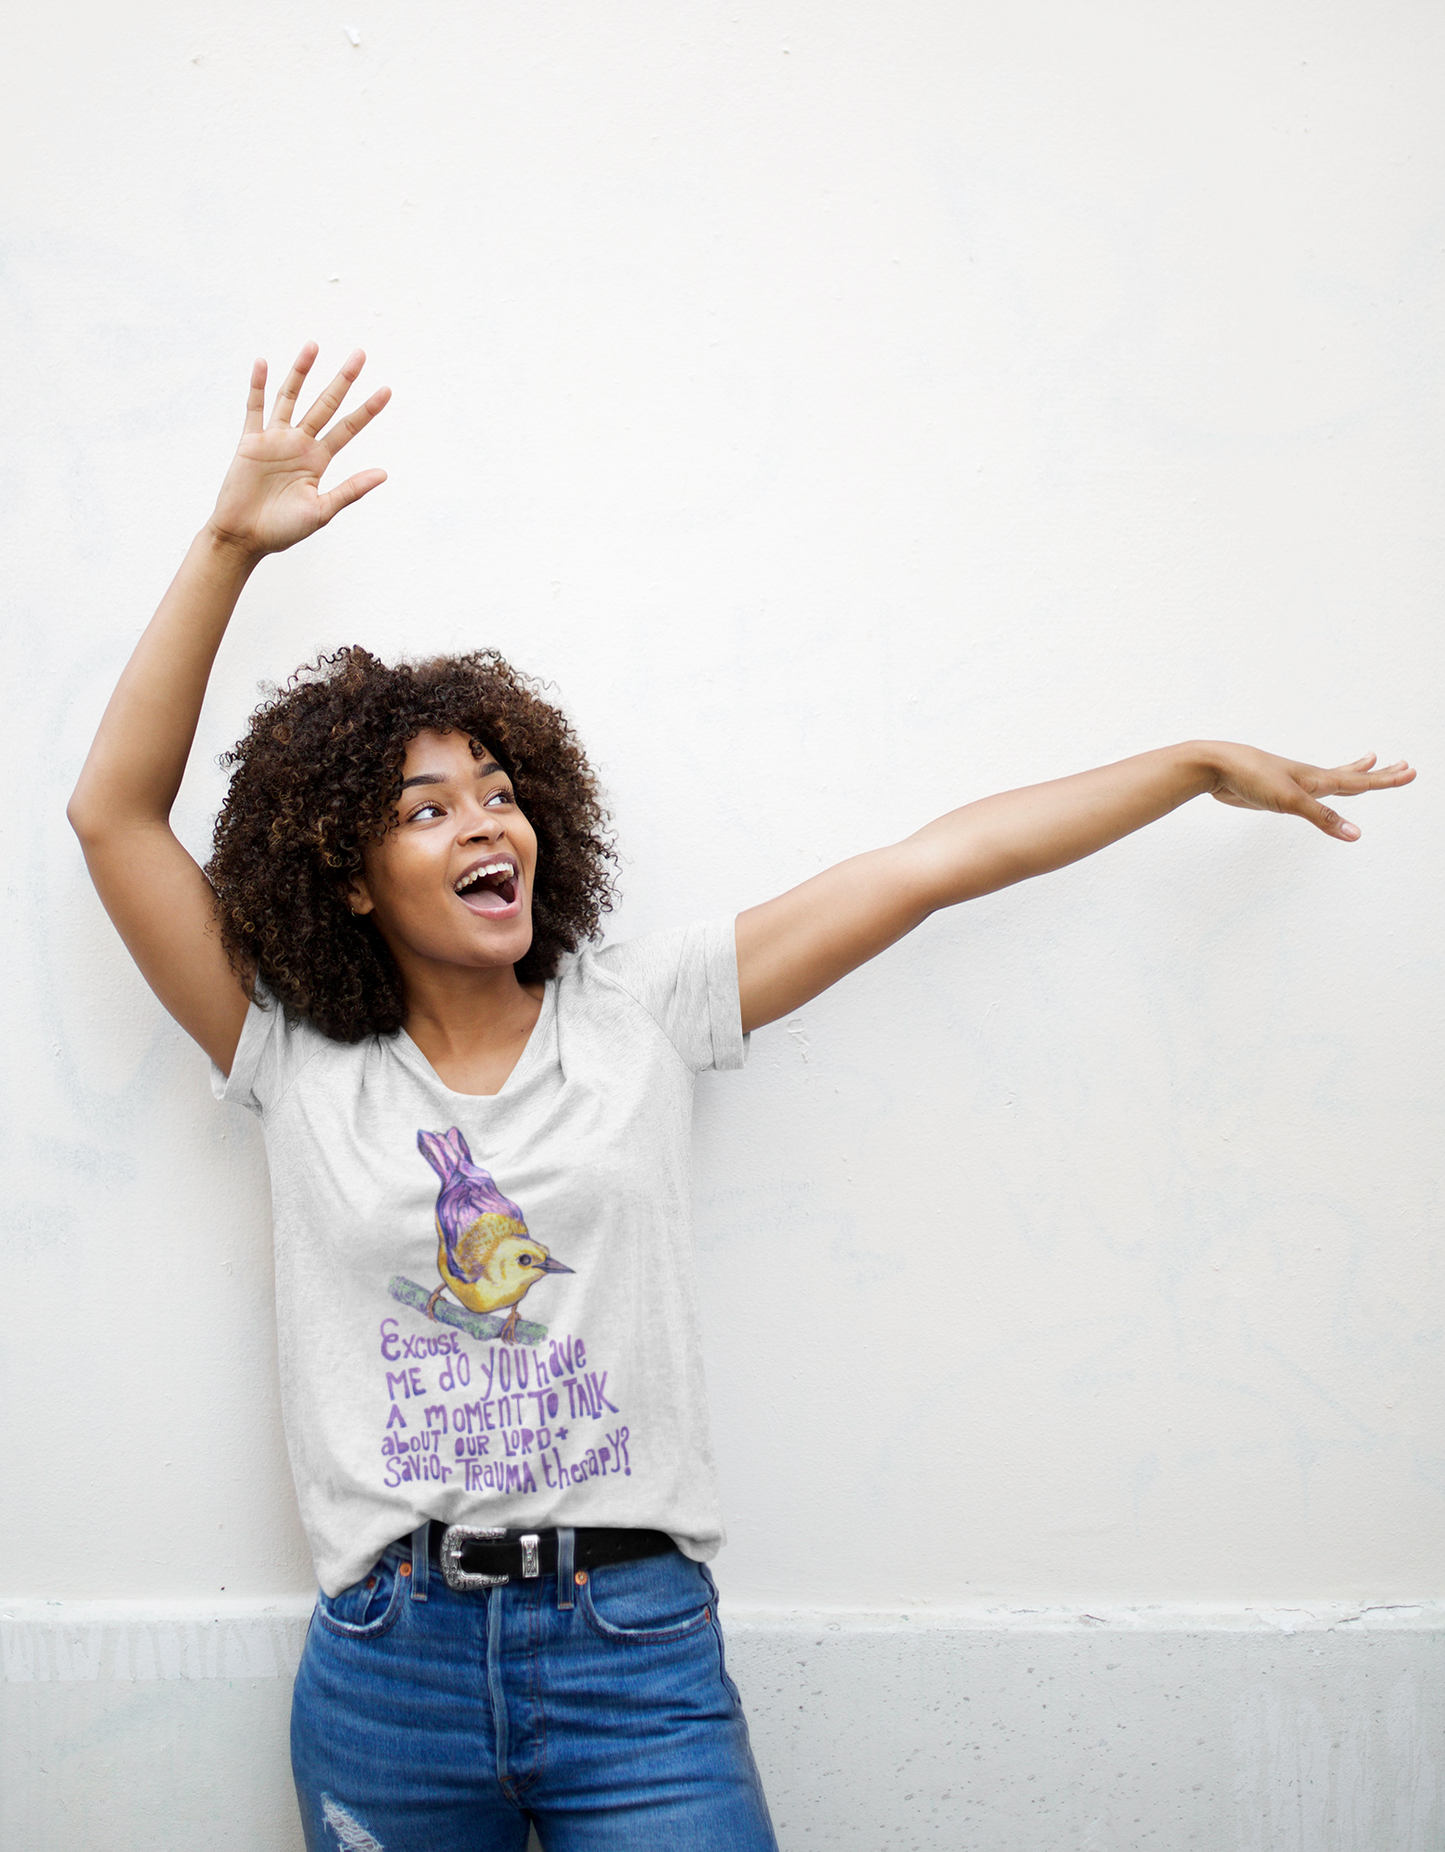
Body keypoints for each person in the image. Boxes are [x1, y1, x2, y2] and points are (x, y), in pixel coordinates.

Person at [68, 344, 1415, 1852]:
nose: (481, 820)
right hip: (389, 1669)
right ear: (348, 872)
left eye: (498, 791)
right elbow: (111, 814)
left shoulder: (643, 1013)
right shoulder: (295, 1056)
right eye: (425, 808)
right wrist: (229, 545)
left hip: (633, 1653)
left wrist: (1187, 765)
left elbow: (928, 865)